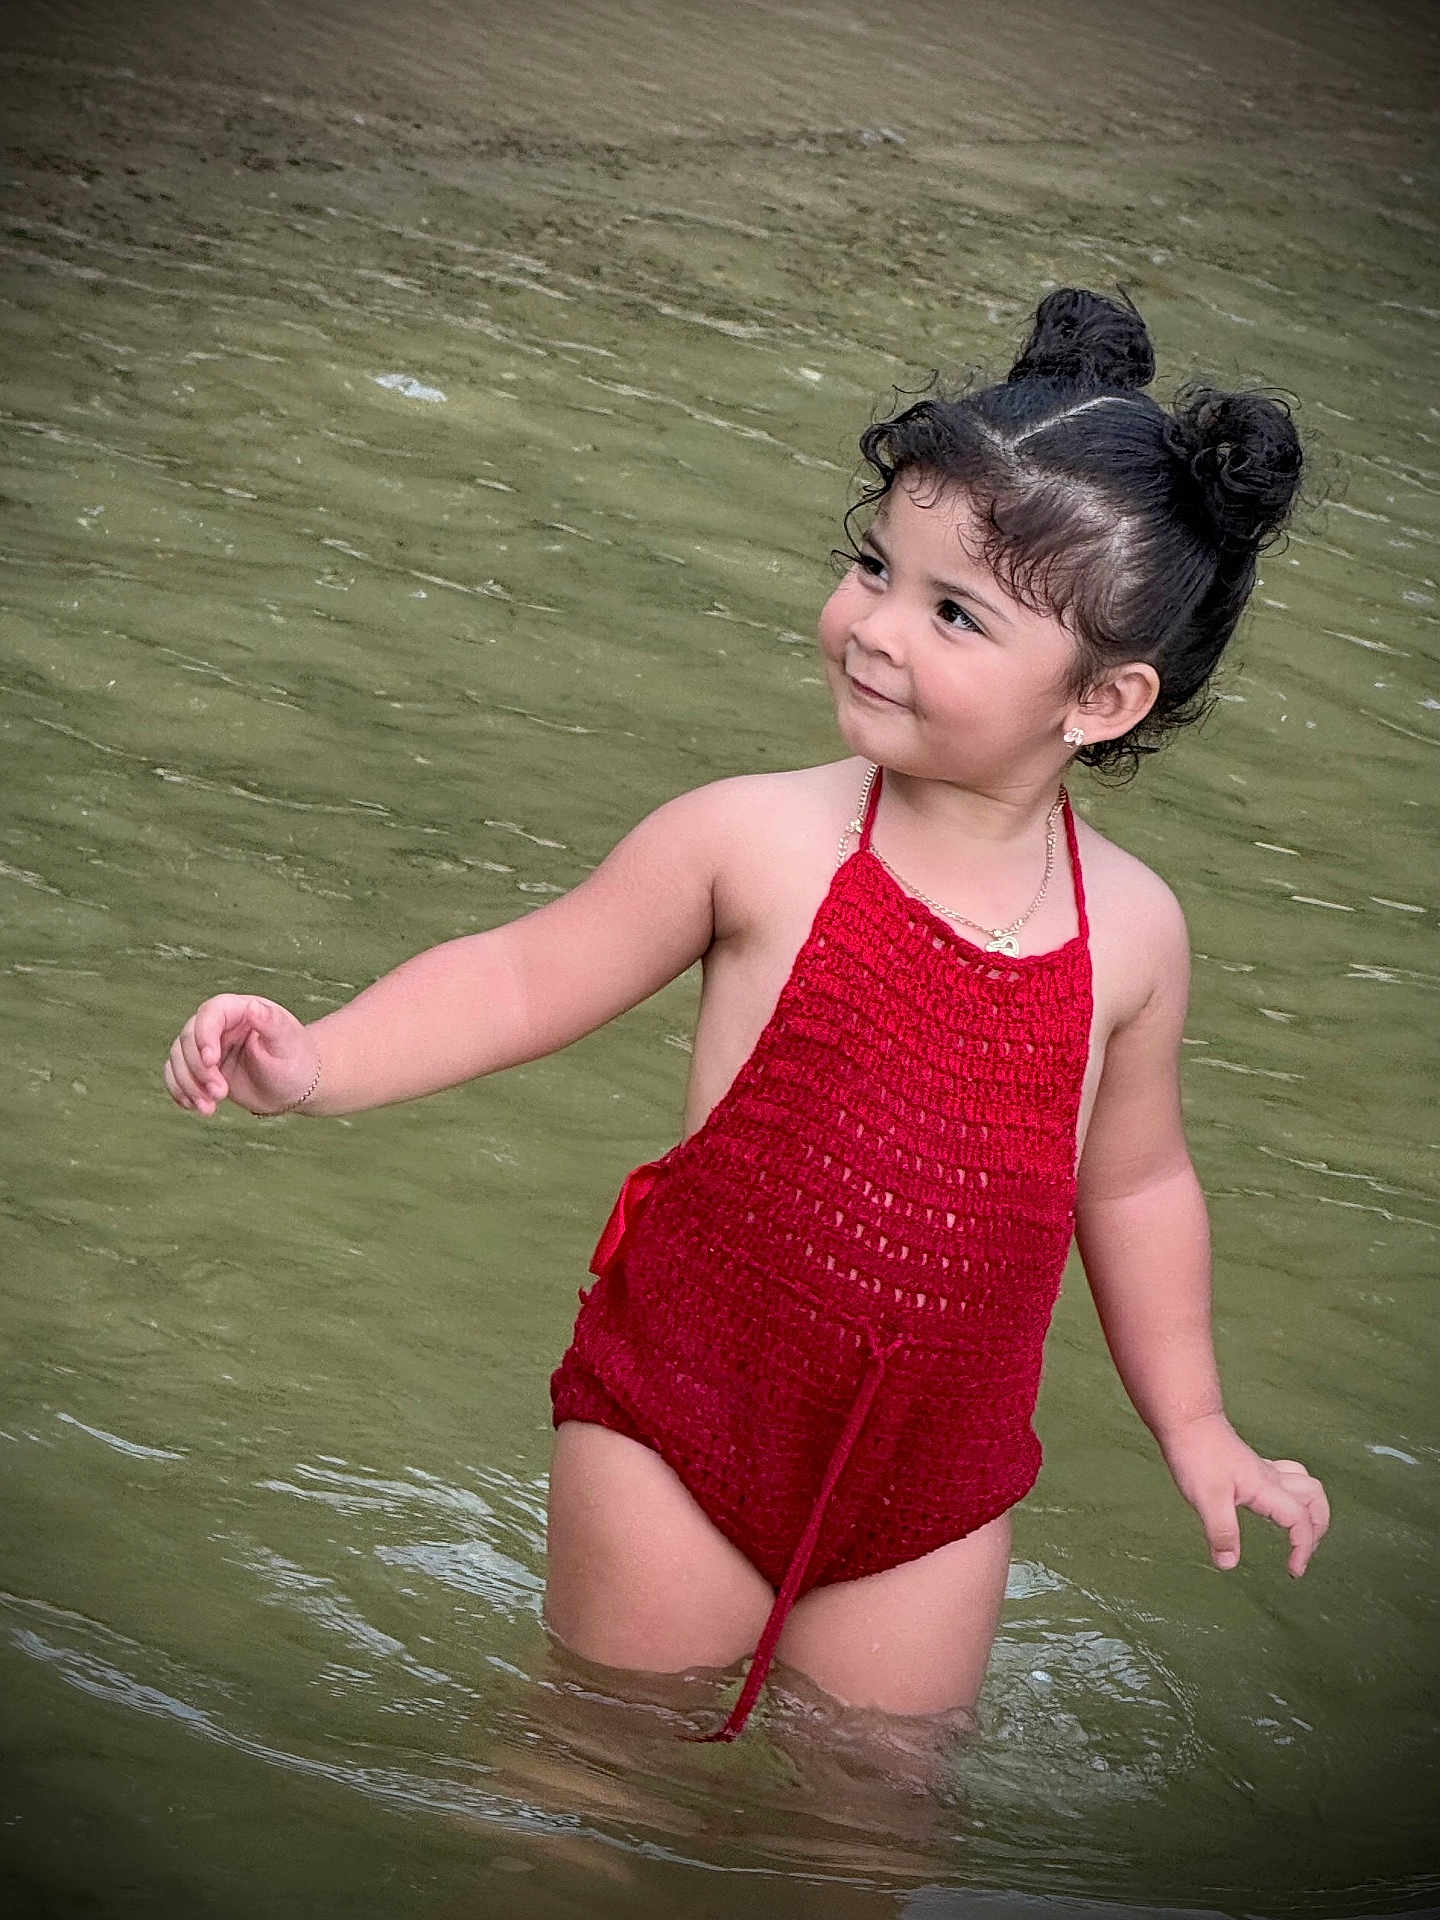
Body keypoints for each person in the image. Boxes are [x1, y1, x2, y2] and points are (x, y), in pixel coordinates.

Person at [163, 287, 1330, 1747]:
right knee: (601, 1775)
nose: (874, 626)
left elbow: (1138, 1182)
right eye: (872, 566)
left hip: (932, 1498)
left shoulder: (1137, 937)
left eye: (953, 611)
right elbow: (526, 974)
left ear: (1101, 700)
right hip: (683, 1425)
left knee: (872, 1832)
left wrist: (1200, 1424)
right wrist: (317, 1062)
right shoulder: (753, 841)